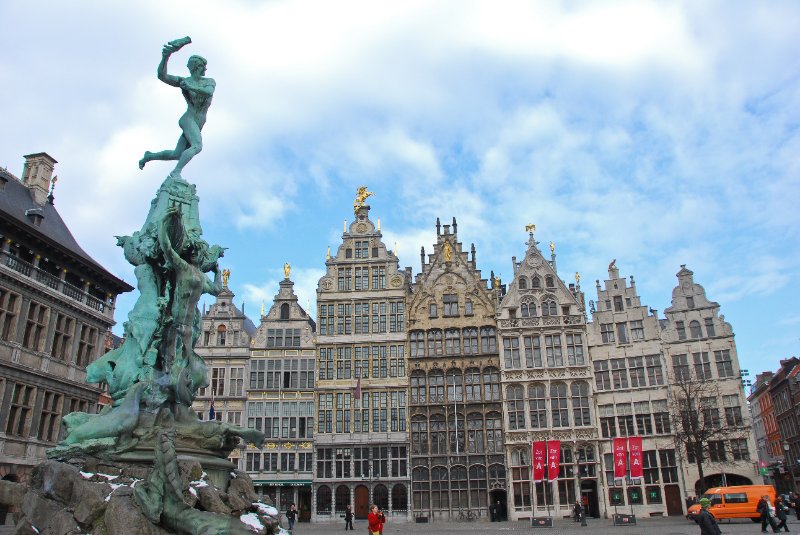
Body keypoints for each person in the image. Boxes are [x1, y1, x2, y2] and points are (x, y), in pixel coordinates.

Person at [139, 37, 216, 179]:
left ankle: (149, 156)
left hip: (198, 122)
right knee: (197, 146)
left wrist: (191, 87)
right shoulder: (183, 81)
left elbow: (209, 92)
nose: (204, 69)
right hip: (189, 118)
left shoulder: (209, 82)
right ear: (196, 67)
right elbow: (162, 76)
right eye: (201, 66)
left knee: (177, 154)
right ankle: (176, 173)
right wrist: (166, 57)